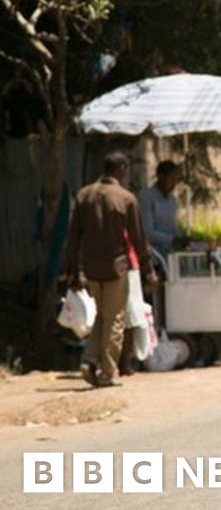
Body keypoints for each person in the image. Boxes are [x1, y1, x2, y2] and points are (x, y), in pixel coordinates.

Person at [65, 152, 156, 387]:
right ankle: (107, 372)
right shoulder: (125, 198)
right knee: (115, 318)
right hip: (116, 269)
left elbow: (73, 237)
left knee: (102, 316)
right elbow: (138, 238)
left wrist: (73, 271)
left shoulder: (84, 195)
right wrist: (148, 269)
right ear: (122, 169)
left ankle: (89, 359)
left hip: (91, 270)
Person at [139, 160, 181, 259]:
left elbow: (172, 226)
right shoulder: (147, 197)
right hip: (153, 255)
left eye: (176, 180)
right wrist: (171, 240)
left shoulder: (172, 200)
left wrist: (181, 238)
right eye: (172, 179)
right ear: (161, 177)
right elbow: (147, 233)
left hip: (171, 255)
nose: (174, 184)